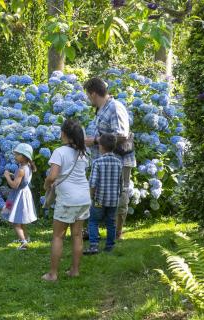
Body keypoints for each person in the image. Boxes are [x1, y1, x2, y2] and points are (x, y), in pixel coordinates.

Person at [84, 77, 135, 240]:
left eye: (87, 95)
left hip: (118, 161)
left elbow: (122, 135)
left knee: (120, 194)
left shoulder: (115, 107)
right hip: (102, 161)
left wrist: (96, 140)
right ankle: (96, 230)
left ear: (93, 94)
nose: (87, 98)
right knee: (99, 195)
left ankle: (117, 233)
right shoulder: (102, 108)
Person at [42, 119, 91, 281]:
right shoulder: (83, 153)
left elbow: (53, 176)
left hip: (68, 200)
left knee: (58, 236)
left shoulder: (60, 152)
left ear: (63, 134)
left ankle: (53, 274)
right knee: (77, 235)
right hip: (84, 197)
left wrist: (46, 184)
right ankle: (75, 271)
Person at [84, 133, 122, 255]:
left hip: (99, 200)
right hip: (113, 200)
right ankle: (110, 246)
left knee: (93, 220)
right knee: (111, 222)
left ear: (100, 146)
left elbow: (93, 183)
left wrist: (91, 196)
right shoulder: (118, 162)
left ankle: (94, 245)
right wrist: (118, 195)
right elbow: (121, 182)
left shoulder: (97, 162)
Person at [1, 143, 38, 250]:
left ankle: (23, 242)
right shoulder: (27, 167)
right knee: (21, 219)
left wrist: (7, 176)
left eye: (17, 154)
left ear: (24, 156)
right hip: (24, 193)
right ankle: (25, 237)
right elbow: (22, 179)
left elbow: (14, 185)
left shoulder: (21, 170)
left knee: (15, 221)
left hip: (18, 196)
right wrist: (14, 175)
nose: (15, 156)